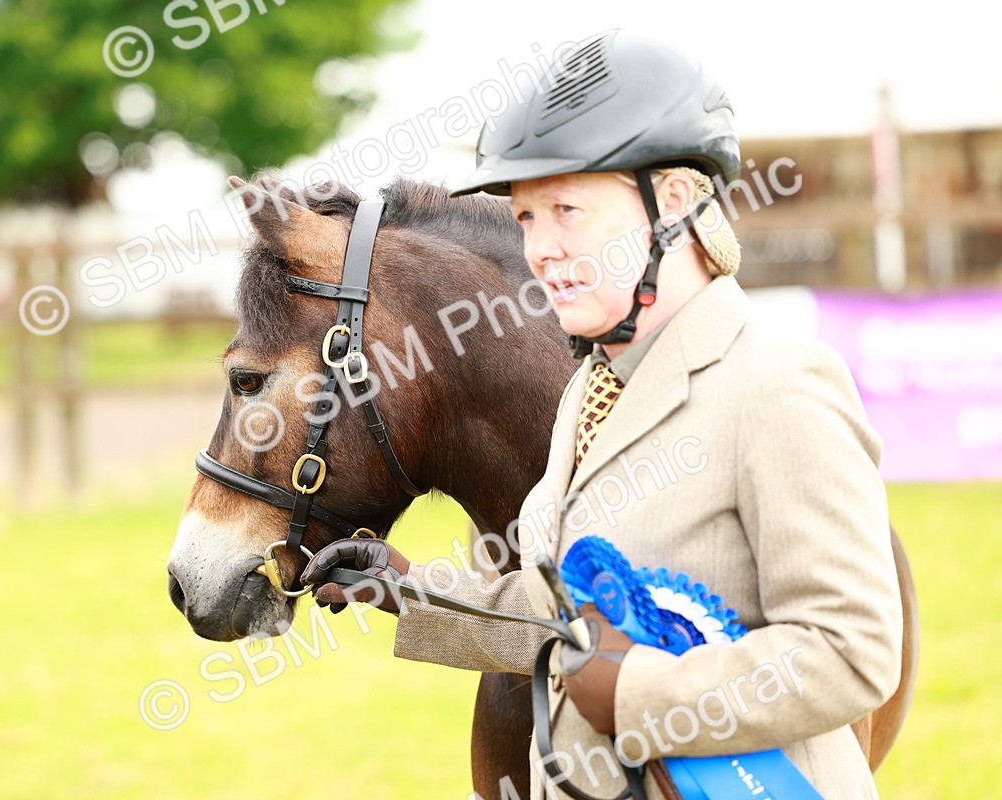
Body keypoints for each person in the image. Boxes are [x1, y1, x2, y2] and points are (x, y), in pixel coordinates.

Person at [300, 29, 903, 800]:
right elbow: (573, 619)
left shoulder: (780, 384)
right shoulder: (589, 392)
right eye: (525, 219)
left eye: (566, 210)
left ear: (674, 202)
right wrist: (408, 592)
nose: (540, 249)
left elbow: (850, 652)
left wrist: (637, 699)